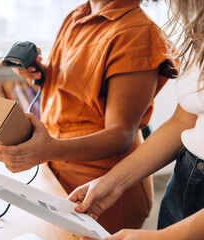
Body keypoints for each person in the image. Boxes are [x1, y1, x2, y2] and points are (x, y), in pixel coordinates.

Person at [0, 0, 179, 234]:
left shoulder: (137, 32)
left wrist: (50, 149)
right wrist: (42, 74)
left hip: (104, 188)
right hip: (60, 172)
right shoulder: (77, 16)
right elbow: (78, 84)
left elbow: (120, 134)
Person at [67, 0, 204, 239]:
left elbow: (119, 132)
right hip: (185, 177)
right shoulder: (197, 28)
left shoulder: (135, 30)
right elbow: (184, 121)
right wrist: (112, 183)